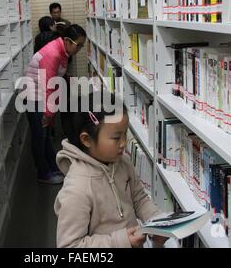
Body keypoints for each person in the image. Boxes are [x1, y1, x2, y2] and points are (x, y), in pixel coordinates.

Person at [54, 92, 169, 247]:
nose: (123, 143)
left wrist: (157, 221)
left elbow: (139, 199)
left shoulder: (123, 162)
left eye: (125, 134)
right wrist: (120, 241)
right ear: (87, 140)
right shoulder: (77, 189)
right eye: (116, 138)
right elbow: (70, 245)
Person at [24, 24, 87, 185]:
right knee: (40, 137)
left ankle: (52, 167)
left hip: (42, 96)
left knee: (45, 138)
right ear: (67, 40)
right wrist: (48, 113)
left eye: (82, 45)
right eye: (78, 45)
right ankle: (43, 173)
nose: (79, 48)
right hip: (35, 97)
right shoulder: (53, 53)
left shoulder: (62, 50)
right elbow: (48, 85)